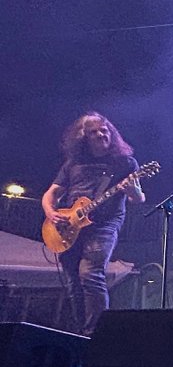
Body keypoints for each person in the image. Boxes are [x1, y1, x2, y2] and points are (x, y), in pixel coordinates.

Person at [41, 112, 145, 336]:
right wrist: (51, 213)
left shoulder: (125, 163)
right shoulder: (74, 163)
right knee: (73, 283)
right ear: (83, 138)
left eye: (104, 130)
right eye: (94, 132)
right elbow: (51, 194)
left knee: (90, 273)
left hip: (104, 224)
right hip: (69, 226)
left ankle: (96, 336)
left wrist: (134, 190)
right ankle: (79, 334)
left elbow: (138, 199)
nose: (101, 134)